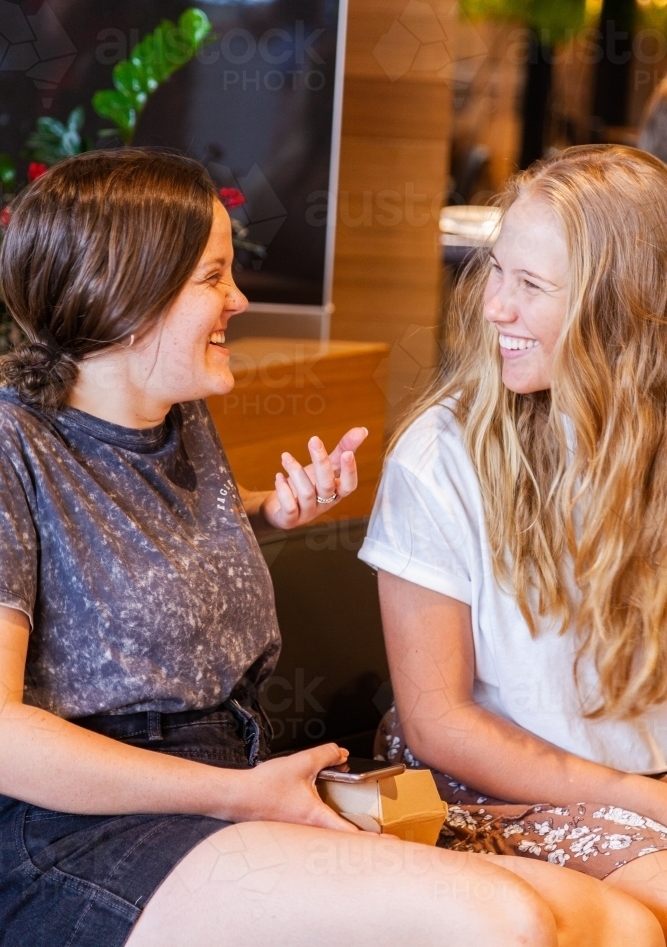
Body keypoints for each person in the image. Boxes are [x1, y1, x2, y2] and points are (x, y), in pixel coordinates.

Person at [1, 148, 656, 947]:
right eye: (213, 277)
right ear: (123, 289)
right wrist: (237, 795)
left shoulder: (176, 422)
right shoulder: (10, 445)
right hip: (79, 830)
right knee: (504, 920)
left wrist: (264, 513)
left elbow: (113, 539)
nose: (238, 299)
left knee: (618, 923)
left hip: (225, 783)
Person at [359, 143, 667, 938]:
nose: (494, 306)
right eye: (496, 272)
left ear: (622, 308)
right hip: (476, 790)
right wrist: (642, 798)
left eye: (529, 287)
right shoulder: (439, 453)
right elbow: (438, 723)